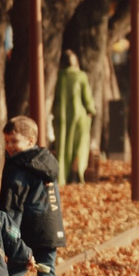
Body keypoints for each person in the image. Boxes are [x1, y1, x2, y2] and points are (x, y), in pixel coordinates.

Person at [0, 115, 66, 276]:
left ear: (30, 141)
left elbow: (12, 206)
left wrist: (8, 237)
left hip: (25, 230)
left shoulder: (16, 167)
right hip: (50, 228)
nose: (9, 146)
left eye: (14, 141)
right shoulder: (48, 160)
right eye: (7, 141)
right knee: (47, 270)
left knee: (16, 272)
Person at [53, 49, 96, 182]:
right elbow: (87, 98)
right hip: (80, 118)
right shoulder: (80, 76)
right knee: (80, 147)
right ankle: (76, 174)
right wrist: (91, 111)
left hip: (62, 118)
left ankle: (62, 177)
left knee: (63, 147)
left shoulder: (58, 76)